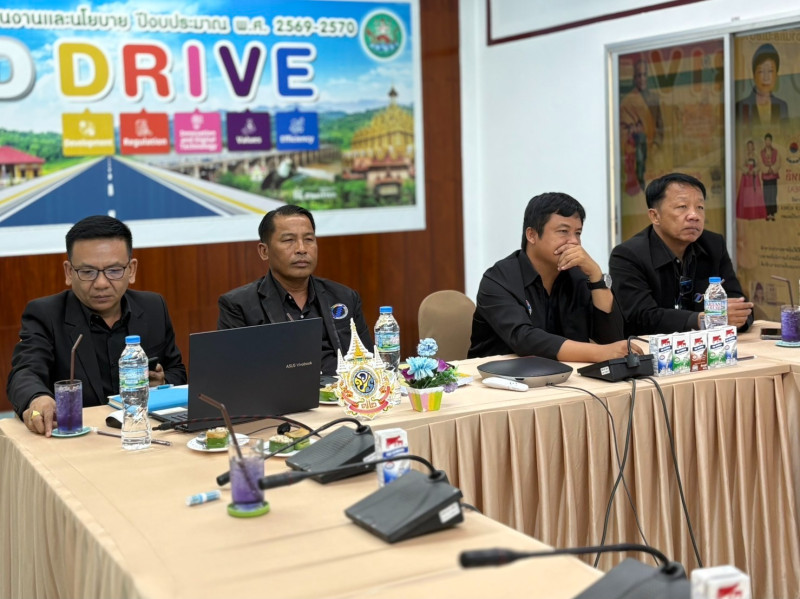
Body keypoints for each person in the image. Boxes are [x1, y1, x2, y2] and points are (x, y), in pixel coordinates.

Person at [7, 215, 187, 436]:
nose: (101, 283)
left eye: (114, 270)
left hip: (142, 433)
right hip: (78, 438)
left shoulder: (153, 307)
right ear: (69, 272)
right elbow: (25, 372)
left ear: (131, 270)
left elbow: (177, 371)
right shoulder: (46, 314)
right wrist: (37, 398)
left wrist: (162, 382)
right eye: (87, 272)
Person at [468, 192, 635, 362]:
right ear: (531, 235)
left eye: (578, 233)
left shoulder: (577, 276)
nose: (574, 241)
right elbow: (524, 339)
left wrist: (596, 276)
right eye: (563, 231)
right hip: (497, 374)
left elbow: (612, 339)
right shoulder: (498, 279)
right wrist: (599, 353)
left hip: (565, 374)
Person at [218, 205, 372, 376]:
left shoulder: (345, 297)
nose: (301, 249)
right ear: (264, 251)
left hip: (342, 390)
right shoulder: (239, 306)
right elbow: (234, 375)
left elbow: (368, 363)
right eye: (288, 240)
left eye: (309, 239)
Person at [609, 173, 754, 336]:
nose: (694, 215)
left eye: (700, 207)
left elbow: (739, 304)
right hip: (652, 348)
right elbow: (640, 317)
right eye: (682, 206)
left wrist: (738, 316)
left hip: (709, 345)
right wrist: (703, 319)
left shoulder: (713, 245)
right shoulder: (627, 256)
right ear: (655, 216)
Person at [620, 57, 664, 195]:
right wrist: (633, 131)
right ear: (634, 78)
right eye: (639, 75)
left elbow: (660, 126)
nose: (642, 79)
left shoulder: (653, 99)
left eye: (644, 75)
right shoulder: (627, 102)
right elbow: (622, 131)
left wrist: (656, 145)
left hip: (654, 156)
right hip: (635, 155)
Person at [735, 43, 789, 127]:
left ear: (776, 75)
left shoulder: (782, 106)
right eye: (761, 71)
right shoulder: (741, 107)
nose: (766, 78)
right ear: (754, 75)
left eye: (770, 71)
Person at [735, 140, 766, 220]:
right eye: (748, 147)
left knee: (754, 195)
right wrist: (747, 170)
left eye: (751, 147)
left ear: (753, 147)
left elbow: (759, 165)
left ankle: (755, 214)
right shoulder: (745, 156)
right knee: (746, 195)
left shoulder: (756, 156)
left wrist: (754, 170)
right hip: (746, 178)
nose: (750, 148)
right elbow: (740, 165)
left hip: (754, 178)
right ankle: (746, 214)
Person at [760, 133, 781, 221]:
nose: (768, 142)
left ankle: (772, 213)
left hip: (773, 176)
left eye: (769, 140)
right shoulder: (761, 152)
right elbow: (760, 163)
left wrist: (772, 169)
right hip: (765, 177)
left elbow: (778, 162)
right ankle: (767, 213)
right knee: (766, 195)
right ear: (765, 141)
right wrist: (766, 170)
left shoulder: (776, 151)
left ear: (771, 141)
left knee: (773, 194)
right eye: (766, 140)